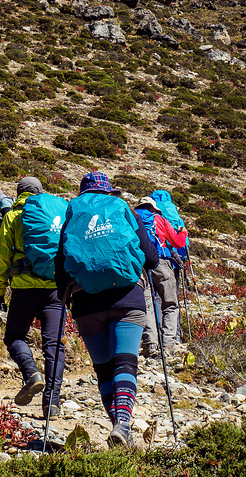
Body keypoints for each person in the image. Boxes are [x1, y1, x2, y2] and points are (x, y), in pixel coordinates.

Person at [55, 172, 159, 448]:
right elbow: (150, 256)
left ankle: (118, 426)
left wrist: (64, 298)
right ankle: (123, 424)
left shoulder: (73, 212)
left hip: (86, 302)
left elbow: (61, 258)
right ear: (109, 192)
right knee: (125, 362)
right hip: (127, 296)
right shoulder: (124, 209)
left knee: (103, 369)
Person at [0, 176, 66, 417]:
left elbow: (3, 257)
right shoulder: (57, 213)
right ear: (40, 192)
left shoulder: (13, 216)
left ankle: (31, 373)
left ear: (19, 193)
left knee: (14, 337)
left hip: (24, 288)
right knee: (53, 345)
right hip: (56, 287)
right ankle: (52, 402)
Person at [134, 196, 189, 357]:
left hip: (140, 266)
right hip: (161, 262)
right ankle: (169, 342)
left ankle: (150, 343)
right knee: (170, 303)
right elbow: (178, 242)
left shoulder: (131, 218)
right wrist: (183, 233)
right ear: (153, 209)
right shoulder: (160, 219)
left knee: (148, 306)